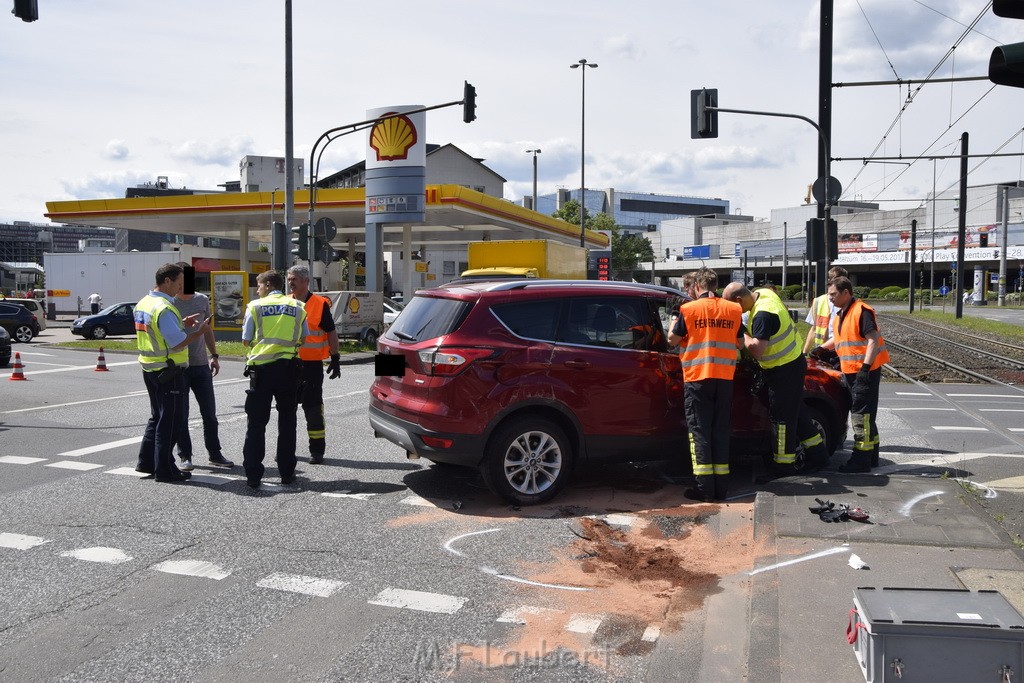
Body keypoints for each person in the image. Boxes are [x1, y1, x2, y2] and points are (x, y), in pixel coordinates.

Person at [724, 283, 829, 473]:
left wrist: (742, 333)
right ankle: (819, 456)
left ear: (739, 300)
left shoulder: (763, 314)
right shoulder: (764, 294)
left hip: (783, 370)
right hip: (791, 362)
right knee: (796, 413)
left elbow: (757, 350)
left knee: (781, 418)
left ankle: (783, 466)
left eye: (733, 307)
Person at [667, 268, 743, 502]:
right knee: (720, 430)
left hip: (698, 377)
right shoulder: (733, 309)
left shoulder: (688, 309)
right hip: (724, 378)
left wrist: (673, 319)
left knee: (700, 431)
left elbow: (672, 339)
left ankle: (704, 488)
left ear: (697, 286)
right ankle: (720, 488)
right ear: (715, 285)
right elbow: (740, 344)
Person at [133, 263, 211, 483]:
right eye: (178, 282)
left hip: (150, 367)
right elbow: (177, 344)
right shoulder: (164, 308)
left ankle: (146, 463)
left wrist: (181, 323)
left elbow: (157, 333)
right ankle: (166, 469)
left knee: (157, 416)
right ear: (167, 281)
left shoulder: (144, 303)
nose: (180, 287)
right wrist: (199, 331)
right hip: (169, 370)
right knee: (170, 421)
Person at [241, 270, 308, 489]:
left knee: (257, 424)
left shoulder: (255, 307)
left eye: (259, 286)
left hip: (261, 370)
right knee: (288, 421)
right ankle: (287, 472)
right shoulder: (298, 307)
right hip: (289, 369)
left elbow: (245, 340)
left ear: (268, 285)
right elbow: (303, 337)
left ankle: (253, 475)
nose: (257, 290)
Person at [818, 276, 889, 473]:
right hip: (851, 371)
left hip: (863, 372)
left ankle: (861, 460)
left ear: (846, 293)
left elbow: (873, 340)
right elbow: (840, 339)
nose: (829, 298)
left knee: (861, 416)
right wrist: (821, 349)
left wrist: (865, 369)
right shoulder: (842, 313)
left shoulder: (861, 311)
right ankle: (871, 456)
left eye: (833, 294)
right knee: (866, 415)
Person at [172, 264, 234, 471]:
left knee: (209, 413)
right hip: (179, 366)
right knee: (182, 414)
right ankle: (185, 456)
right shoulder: (169, 302)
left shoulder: (201, 299)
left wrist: (214, 355)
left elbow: (207, 329)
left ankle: (215, 454)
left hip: (200, 365)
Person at [286, 264, 341, 464]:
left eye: (294, 280)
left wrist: (335, 358)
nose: (290, 283)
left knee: (313, 408)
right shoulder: (285, 302)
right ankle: (286, 449)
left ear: (305, 282)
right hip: (288, 364)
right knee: (287, 408)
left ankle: (317, 450)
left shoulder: (319, 304)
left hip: (311, 366)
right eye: (289, 279)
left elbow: (331, 332)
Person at [802, 266, 848, 355]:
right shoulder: (818, 301)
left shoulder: (850, 302)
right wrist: (805, 352)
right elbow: (814, 329)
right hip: (822, 351)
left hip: (843, 351)